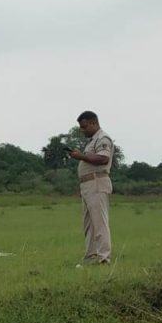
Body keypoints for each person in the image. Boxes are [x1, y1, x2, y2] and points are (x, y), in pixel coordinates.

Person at [68, 110, 114, 264]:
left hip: (97, 183)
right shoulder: (92, 141)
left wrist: (81, 156)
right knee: (89, 224)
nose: (82, 130)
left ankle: (104, 257)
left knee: (99, 222)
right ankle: (91, 256)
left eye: (84, 126)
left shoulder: (103, 138)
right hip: (88, 185)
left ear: (94, 123)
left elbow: (103, 158)